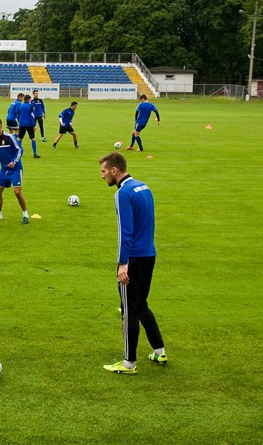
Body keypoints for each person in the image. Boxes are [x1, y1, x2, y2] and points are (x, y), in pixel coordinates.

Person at [99, 152, 166, 374]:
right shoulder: (144, 187)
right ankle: (159, 350)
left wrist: (122, 264)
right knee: (140, 303)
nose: (102, 176)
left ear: (114, 171)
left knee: (128, 310)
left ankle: (129, 363)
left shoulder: (123, 193)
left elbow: (124, 233)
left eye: (103, 172)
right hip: (149, 254)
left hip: (133, 258)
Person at [0, 117, 29, 224]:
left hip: (15, 169)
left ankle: (25, 214)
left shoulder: (10, 137)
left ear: (1, 126)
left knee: (17, 192)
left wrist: (14, 161)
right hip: (4, 170)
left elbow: (20, 150)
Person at [17, 93, 41, 158]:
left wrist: (20, 122)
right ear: (29, 99)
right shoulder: (30, 106)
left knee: (20, 139)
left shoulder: (20, 106)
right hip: (29, 124)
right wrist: (33, 125)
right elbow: (32, 116)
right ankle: (35, 153)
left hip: (21, 124)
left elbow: (18, 115)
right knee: (33, 138)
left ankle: (17, 153)